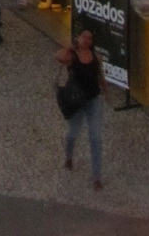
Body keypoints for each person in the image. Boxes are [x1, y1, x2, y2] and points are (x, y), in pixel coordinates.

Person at [57, 29, 106, 189]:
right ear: (78, 38)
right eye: (83, 36)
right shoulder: (72, 56)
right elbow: (58, 57)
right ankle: (69, 157)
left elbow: (100, 76)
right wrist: (69, 48)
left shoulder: (96, 57)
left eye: (89, 38)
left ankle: (97, 177)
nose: (86, 40)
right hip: (76, 101)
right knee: (72, 134)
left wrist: (106, 91)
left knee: (96, 137)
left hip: (93, 100)